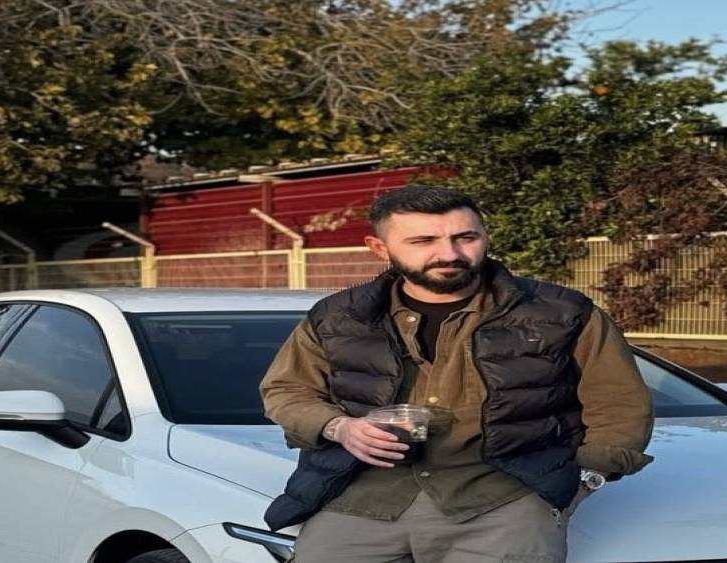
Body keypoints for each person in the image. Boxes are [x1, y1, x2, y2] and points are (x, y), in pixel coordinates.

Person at [260, 184, 654, 563]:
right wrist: (339, 427)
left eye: (466, 237)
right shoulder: (338, 316)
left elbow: (619, 402)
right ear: (379, 248)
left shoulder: (563, 312)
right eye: (423, 241)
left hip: (504, 503)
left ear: (485, 236)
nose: (449, 253)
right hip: (358, 499)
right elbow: (287, 390)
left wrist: (585, 480)